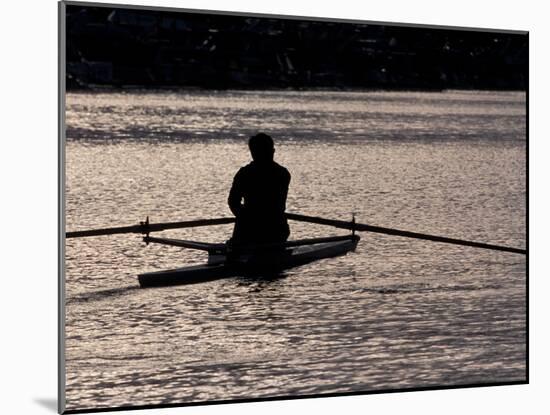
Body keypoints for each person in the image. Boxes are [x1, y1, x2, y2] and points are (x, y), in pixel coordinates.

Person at [228, 133, 291, 247]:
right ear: (273, 151)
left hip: (251, 231)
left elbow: (233, 202)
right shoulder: (282, 173)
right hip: (275, 229)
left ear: (252, 153)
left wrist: (246, 218)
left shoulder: (244, 173)